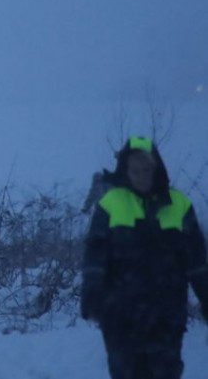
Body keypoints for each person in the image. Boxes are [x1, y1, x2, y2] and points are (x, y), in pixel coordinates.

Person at [81, 136, 208, 379]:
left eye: (146, 169)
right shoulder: (110, 204)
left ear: (156, 169)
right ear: (126, 171)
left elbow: (197, 262)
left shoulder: (179, 205)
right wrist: (91, 293)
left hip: (166, 316)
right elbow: (95, 255)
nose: (141, 175)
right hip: (120, 316)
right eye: (135, 170)